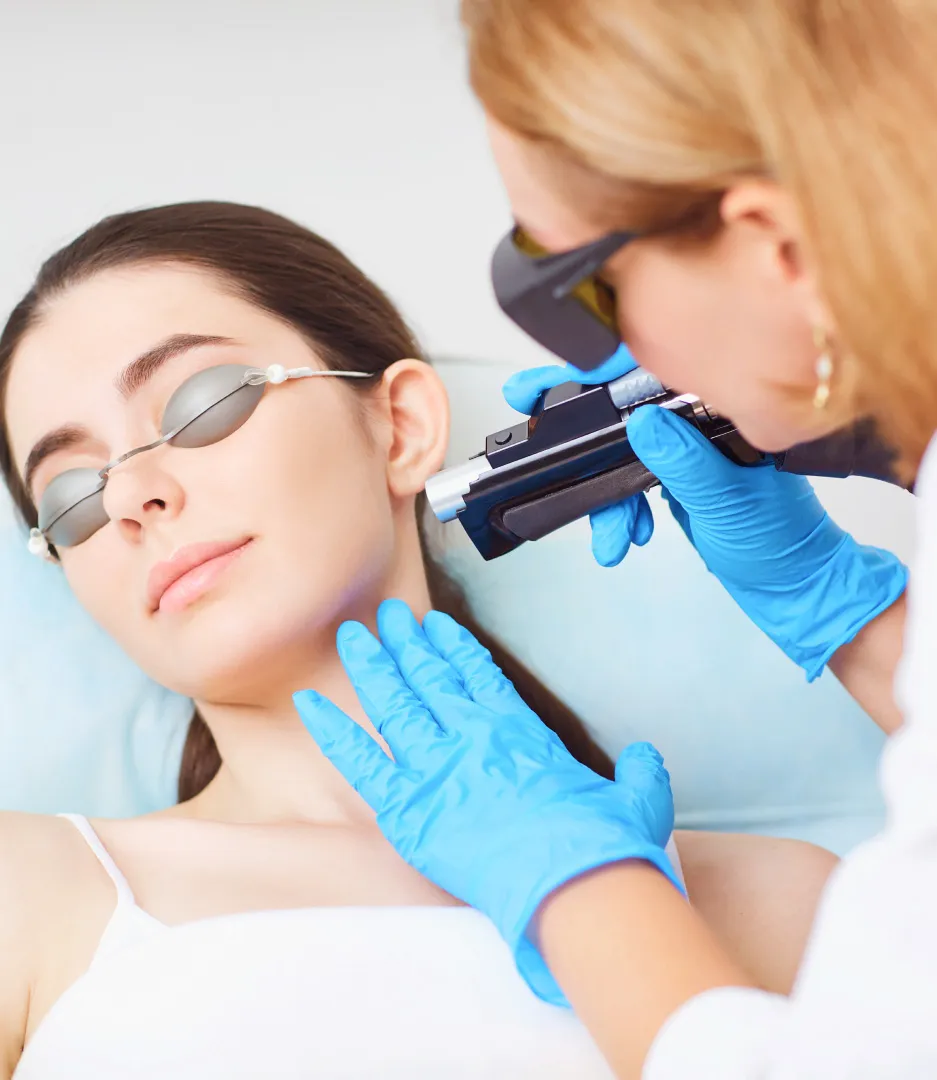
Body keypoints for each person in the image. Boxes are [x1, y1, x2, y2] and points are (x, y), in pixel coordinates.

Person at [0, 201, 835, 1079]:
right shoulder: (26, 890)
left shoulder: (779, 904)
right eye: (70, 500)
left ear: (399, 426)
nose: (131, 495)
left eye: (202, 404)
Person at [291, 2, 937, 1078]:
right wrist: (855, 614)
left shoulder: (782, 887)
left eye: (582, 291)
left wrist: (579, 888)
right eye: (65, 496)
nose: (617, 350)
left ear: (779, 246)